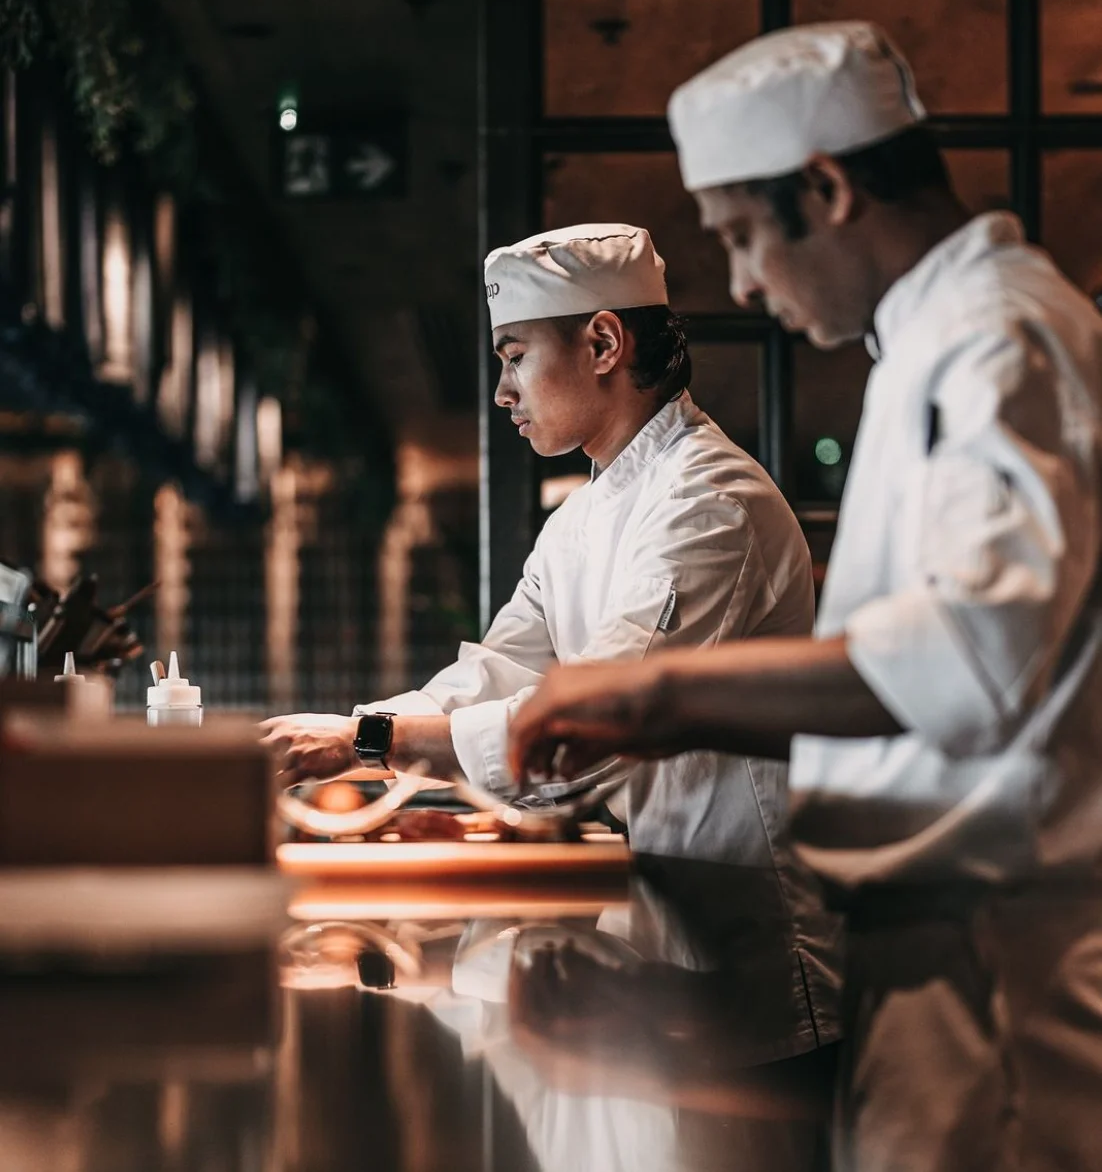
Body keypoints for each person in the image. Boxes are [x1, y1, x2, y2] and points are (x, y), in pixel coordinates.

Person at [508, 22, 1102, 1172]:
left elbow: (969, 652)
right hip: (934, 940)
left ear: (825, 188)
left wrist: (651, 696)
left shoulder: (1000, 334)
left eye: (739, 236)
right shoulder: (932, 338)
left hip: (993, 954)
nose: (738, 282)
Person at [262, 222, 840, 1050]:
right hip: (664, 921)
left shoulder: (710, 504)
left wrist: (369, 742)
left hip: (755, 945)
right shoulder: (582, 516)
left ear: (604, 342)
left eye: (514, 355)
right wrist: (350, 737)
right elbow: (499, 670)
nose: (502, 392)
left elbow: (597, 726)